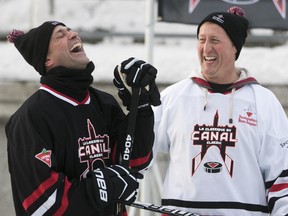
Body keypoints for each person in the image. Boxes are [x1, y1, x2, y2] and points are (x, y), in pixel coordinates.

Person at [5, 21, 161, 216]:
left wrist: (141, 108)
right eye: (60, 35)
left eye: (69, 30)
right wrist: (101, 189)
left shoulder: (103, 103)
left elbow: (134, 162)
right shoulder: (31, 118)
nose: (72, 34)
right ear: (47, 60)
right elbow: (43, 202)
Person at [152, 6, 288, 216]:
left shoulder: (263, 102)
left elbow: (281, 176)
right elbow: (137, 155)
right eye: (201, 39)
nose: (206, 49)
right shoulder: (174, 97)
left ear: (235, 47)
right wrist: (138, 107)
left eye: (215, 40)